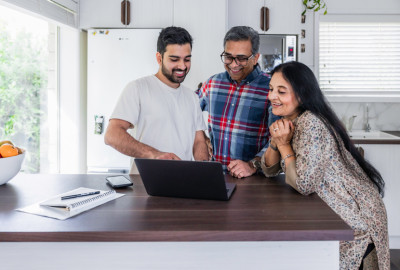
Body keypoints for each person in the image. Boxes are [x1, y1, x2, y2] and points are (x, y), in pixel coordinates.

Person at [262, 61, 389, 270]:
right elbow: (269, 170)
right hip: (337, 211)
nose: (272, 96)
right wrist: (276, 142)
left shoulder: (311, 123)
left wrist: (283, 144)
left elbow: (304, 184)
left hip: (356, 218)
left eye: (281, 91)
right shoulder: (289, 119)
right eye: (271, 89)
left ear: (301, 96)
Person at [105, 26, 209, 173]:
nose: (182, 66)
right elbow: (112, 135)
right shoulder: (138, 88)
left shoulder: (192, 97)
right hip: (145, 185)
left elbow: (198, 141)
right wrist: (154, 154)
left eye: (187, 59)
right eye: (174, 59)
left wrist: (204, 170)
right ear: (159, 58)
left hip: (184, 183)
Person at [197, 26, 279, 178]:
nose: (234, 64)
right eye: (228, 57)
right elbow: (187, 111)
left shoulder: (271, 89)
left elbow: (278, 140)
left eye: (241, 58)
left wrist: (252, 164)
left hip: (254, 181)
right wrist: (201, 137)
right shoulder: (212, 84)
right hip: (216, 177)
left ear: (255, 57)